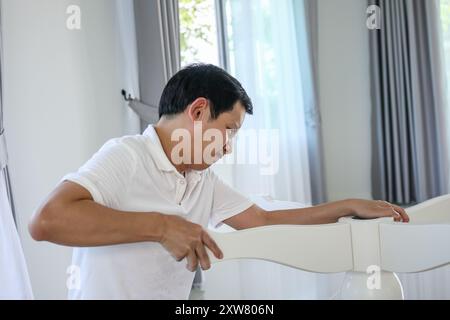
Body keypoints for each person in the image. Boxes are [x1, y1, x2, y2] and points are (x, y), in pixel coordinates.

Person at [29, 64, 409, 299]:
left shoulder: (201, 180)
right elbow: (46, 220)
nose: (227, 148)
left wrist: (347, 206)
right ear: (198, 110)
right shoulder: (127, 156)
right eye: (228, 130)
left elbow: (263, 219)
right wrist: (161, 227)